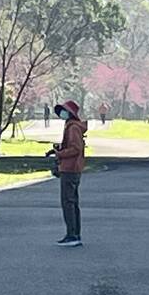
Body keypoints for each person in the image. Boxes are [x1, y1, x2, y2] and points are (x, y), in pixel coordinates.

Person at [54, 99, 87, 247]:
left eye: (64, 110)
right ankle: (75, 233)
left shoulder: (73, 128)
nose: (62, 113)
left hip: (70, 168)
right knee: (72, 202)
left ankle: (72, 234)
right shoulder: (73, 127)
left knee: (68, 202)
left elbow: (75, 148)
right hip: (73, 168)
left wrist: (60, 154)